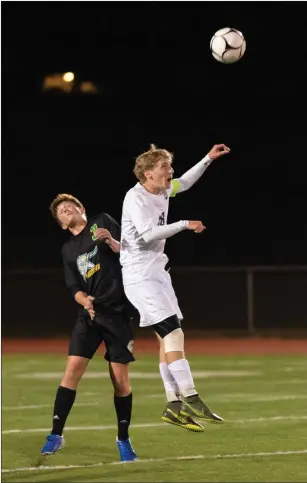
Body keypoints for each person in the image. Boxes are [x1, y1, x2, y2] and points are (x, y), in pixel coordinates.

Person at [120, 143, 230, 432]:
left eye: (169, 166)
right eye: (164, 168)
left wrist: (207, 158)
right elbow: (145, 237)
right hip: (140, 275)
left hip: (157, 271)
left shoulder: (161, 189)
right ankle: (191, 395)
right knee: (173, 332)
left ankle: (174, 404)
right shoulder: (136, 197)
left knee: (166, 339)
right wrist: (184, 224)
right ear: (147, 174)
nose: (170, 172)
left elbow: (185, 182)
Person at [41, 194, 137, 462]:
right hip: (90, 315)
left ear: (82, 209)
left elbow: (131, 252)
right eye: (61, 210)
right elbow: (74, 286)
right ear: (61, 224)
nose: (66, 209)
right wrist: (84, 299)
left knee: (119, 381)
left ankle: (123, 439)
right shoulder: (68, 249)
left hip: (118, 314)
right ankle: (56, 434)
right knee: (72, 369)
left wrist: (111, 241)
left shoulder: (101, 222)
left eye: (70, 205)